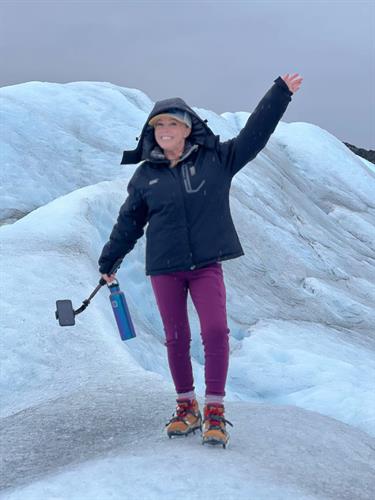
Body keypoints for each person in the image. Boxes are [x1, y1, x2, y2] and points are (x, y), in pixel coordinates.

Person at [98, 73, 303, 448]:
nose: (164, 129)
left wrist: (279, 93)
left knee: (214, 332)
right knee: (176, 338)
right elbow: (129, 222)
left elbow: (255, 135)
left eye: (172, 123)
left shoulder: (218, 159)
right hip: (164, 267)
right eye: (158, 124)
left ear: (187, 127)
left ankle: (214, 411)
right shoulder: (146, 176)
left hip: (206, 264)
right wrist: (109, 260)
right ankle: (185, 407)